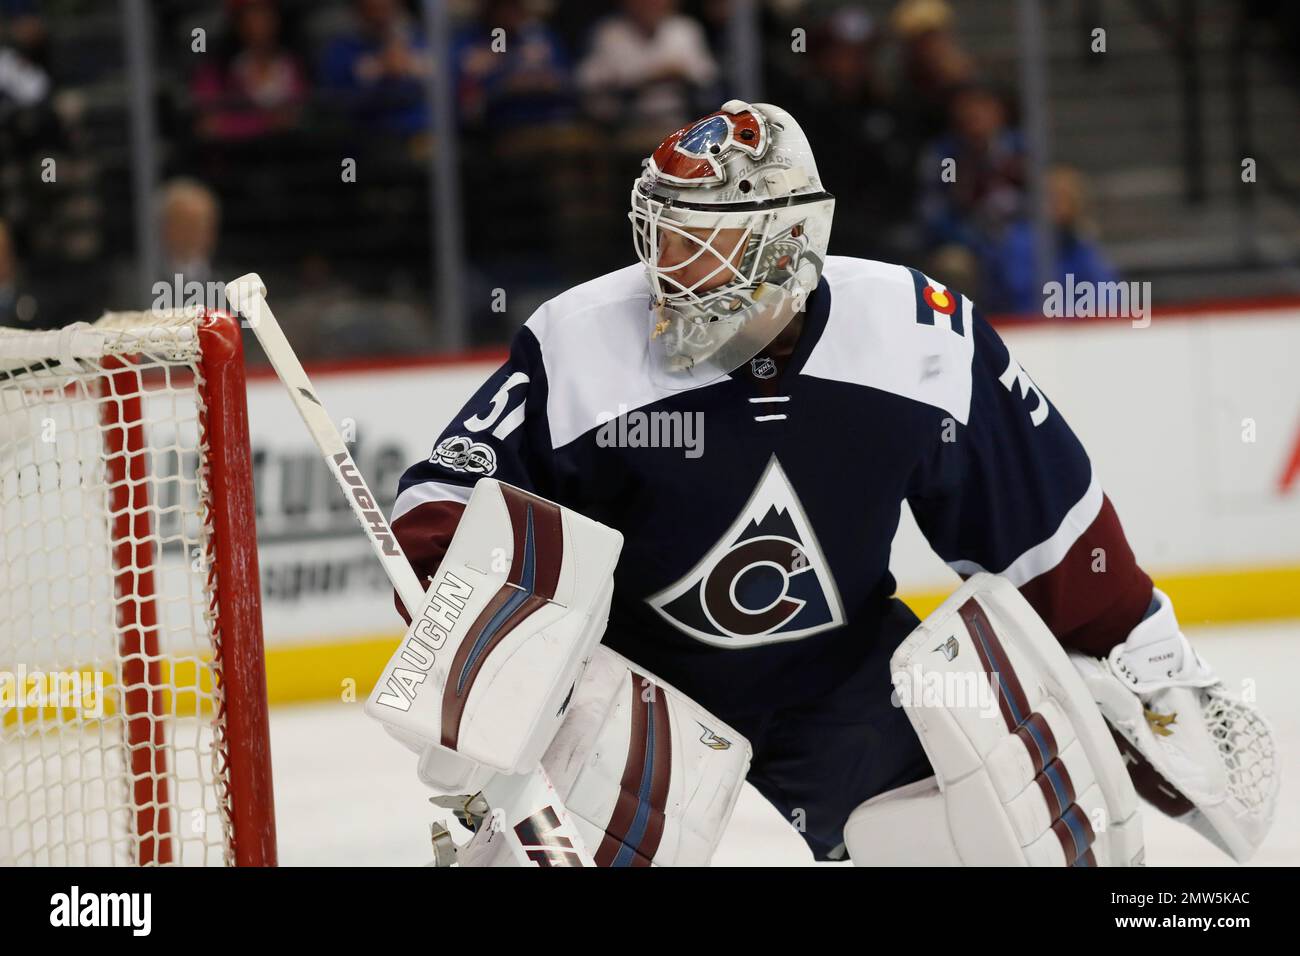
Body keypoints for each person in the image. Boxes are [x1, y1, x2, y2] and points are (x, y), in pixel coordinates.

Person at [389, 101, 1272, 863]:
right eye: (666, 240)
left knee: (1014, 829)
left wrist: (1152, 662)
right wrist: (473, 643)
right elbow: (445, 504)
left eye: (709, 248)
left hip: (837, 673)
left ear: (791, 245)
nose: (673, 276)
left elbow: (1044, 524)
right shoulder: (582, 342)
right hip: (633, 681)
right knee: (555, 842)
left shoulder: (916, 335)